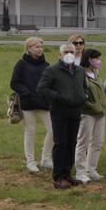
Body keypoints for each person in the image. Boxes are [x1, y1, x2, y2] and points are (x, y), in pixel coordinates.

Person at [37, 43, 87, 189]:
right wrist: (58, 97)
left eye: (71, 51)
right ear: (60, 55)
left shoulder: (79, 71)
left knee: (72, 143)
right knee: (61, 143)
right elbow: (42, 89)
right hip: (60, 111)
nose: (69, 54)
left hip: (76, 110)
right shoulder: (52, 70)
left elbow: (84, 86)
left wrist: (84, 96)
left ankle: (67, 173)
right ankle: (58, 177)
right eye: (66, 51)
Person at [11, 37, 53, 174]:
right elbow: (14, 83)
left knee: (53, 130)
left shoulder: (46, 65)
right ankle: (30, 161)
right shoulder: (21, 64)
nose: (40, 49)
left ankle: (45, 159)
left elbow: (50, 83)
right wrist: (26, 92)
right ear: (29, 48)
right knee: (30, 131)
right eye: (36, 47)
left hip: (44, 103)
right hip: (28, 103)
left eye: (41, 46)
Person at [73, 49, 106, 184]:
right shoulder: (80, 74)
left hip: (100, 113)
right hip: (87, 113)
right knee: (83, 142)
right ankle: (80, 171)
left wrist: (104, 106)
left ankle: (91, 169)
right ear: (89, 59)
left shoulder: (96, 73)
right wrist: (93, 106)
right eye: (96, 59)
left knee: (98, 142)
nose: (99, 61)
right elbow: (81, 95)